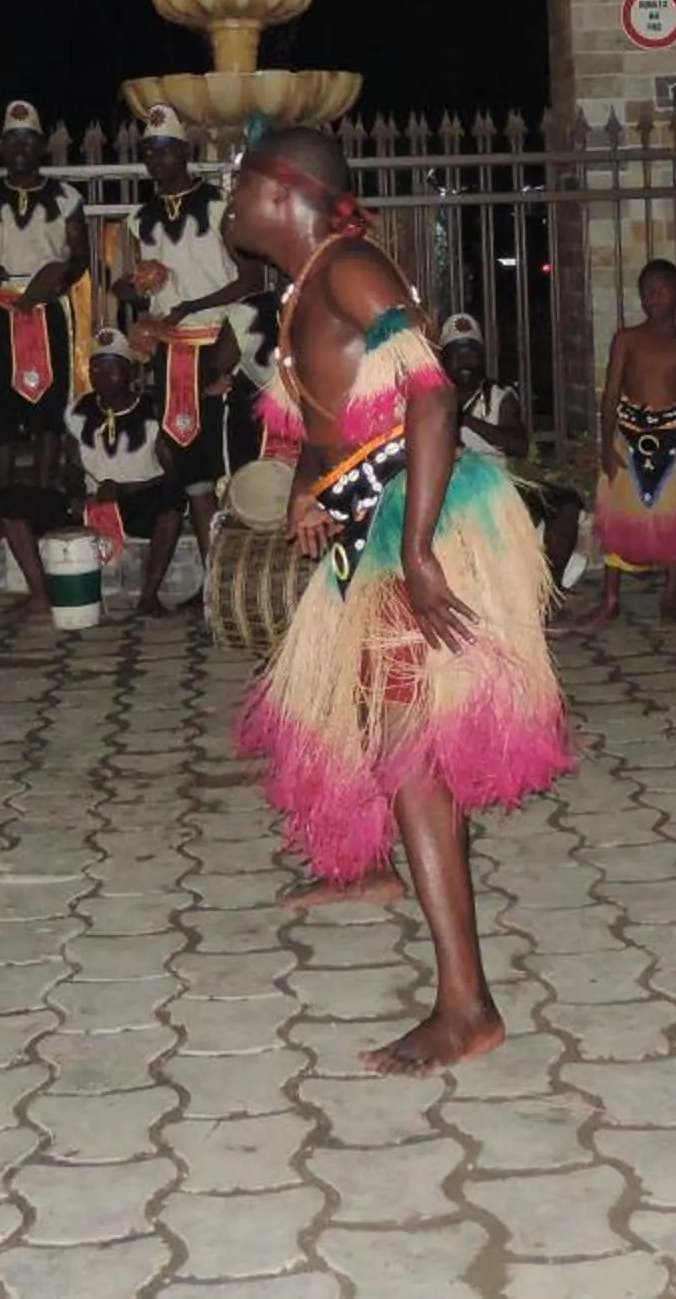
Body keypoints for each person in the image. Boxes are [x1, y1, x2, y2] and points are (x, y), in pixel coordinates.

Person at [226, 127, 571, 1072]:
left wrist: (416, 551)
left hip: (417, 524)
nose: (228, 195)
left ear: (282, 192)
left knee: (408, 747)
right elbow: (331, 414)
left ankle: (469, 1004)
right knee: (347, 709)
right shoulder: (305, 287)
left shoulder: (351, 270)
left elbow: (430, 398)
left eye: (240, 181)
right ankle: (372, 868)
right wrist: (306, 482)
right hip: (365, 519)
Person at [112, 103, 276, 549]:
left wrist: (192, 304)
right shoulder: (139, 219)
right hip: (171, 355)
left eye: (165, 150)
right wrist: (130, 287)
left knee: (228, 462)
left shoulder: (220, 205)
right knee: (190, 471)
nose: (156, 160)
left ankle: (234, 574)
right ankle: (210, 585)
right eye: (149, 151)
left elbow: (252, 278)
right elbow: (135, 284)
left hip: (219, 348)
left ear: (185, 152)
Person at [0, 328, 194, 616]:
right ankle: (39, 594)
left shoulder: (153, 412)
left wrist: (124, 490)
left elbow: (175, 474)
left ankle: (148, 597)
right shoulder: (79, 410)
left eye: (110, 369)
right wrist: (78, 495)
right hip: (91, 504)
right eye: (95, 369)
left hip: (135, 504)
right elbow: (73, 469)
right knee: (12, 499)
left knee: (172, 501)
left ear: (130, 373)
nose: (101, 375)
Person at [0, 100, 90, 497]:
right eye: (12, 140)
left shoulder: (65, 197)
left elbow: (80, 255)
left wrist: (58, 280)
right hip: (0, 311)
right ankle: (7, 508)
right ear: (1, 146)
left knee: (47, 412)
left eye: (28, 140)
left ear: (40, 146)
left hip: (46, 311)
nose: (20, 147)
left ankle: (42, 499)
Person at [587, 259, 676, 623]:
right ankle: (610, 598)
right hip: (628, 435)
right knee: (620, 515)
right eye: (647, 291)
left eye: (661, 290)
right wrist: (605, 446)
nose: (654, 297)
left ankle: (670, 594)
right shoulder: (627, 339)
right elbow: (611, 394)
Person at [439, 312, 584, 586]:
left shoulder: (499, 397)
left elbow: (518, 445)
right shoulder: (431, 398)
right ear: (443, 359)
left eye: (472, 353)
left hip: (500, 485)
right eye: (458, 353)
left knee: (566, 504)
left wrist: (467, 421)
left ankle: (548, 584)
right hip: (449, 489)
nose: (466, 361)